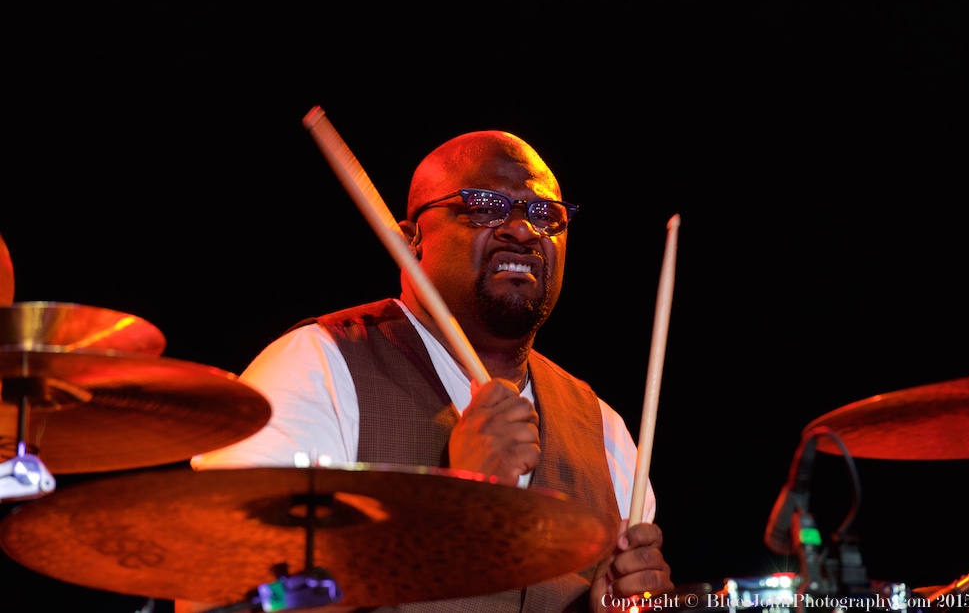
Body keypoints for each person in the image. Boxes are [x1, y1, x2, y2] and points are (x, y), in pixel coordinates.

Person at [179, 130, 674, 612]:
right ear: (411, 238)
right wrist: (454, 508)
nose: (523, 229)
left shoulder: (606, 432)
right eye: (483, 205)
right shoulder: (317, 369)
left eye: (546, 214)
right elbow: (226, 601)